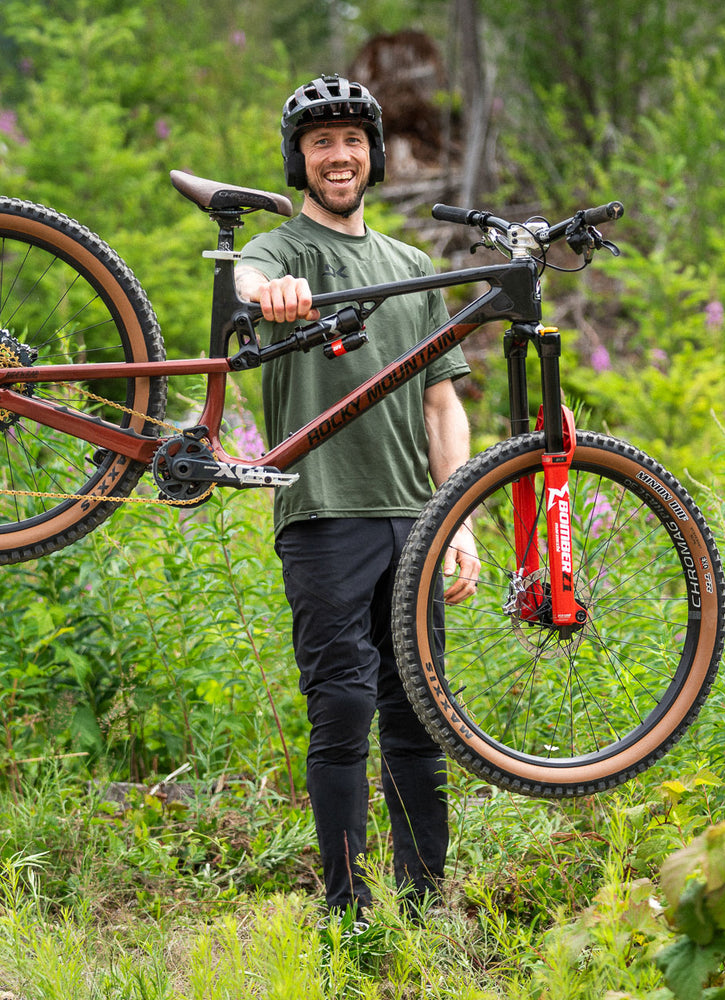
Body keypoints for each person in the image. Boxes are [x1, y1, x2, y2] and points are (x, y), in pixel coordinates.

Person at [234, 73, 480, 922]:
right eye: (319, 143)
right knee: (340, 708)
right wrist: (269, 295)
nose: (338, 155)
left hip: (413, 516)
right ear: (299, 163)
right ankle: (347, 911)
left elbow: (443, 404)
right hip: (323, 514)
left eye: (352, 140)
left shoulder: (412, 268)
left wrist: (461, 523)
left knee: (419, 717)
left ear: (373, 156)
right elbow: (246, 280)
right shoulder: (283, 252)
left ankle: (418, 911)